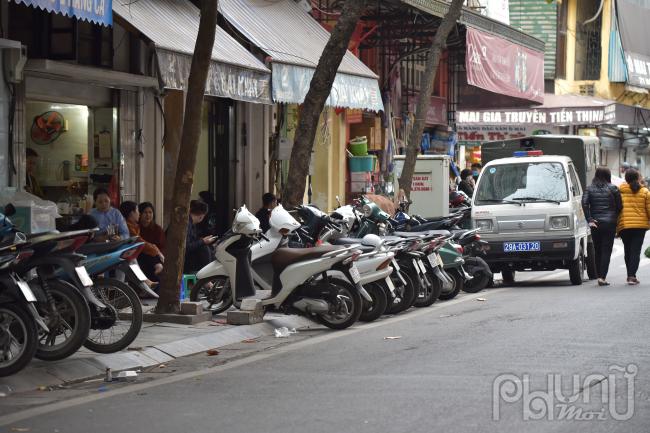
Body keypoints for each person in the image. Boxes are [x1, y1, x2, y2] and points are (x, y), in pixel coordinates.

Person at [582, 167, 623, 286]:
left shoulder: (589, 189)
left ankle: (599, 275)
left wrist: (589, 219)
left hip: (595, 223)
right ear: (608, 175)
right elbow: (620, 206)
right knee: (606, 250)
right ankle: (602, 277)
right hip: (609, 223)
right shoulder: (613, 188)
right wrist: (613, 216)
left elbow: (584, 204)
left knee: (598, 249)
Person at [617, 168, 650, 285]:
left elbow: (617, 209)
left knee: (628, 250)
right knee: (635, 251)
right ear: (638, 178)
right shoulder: (645, 192)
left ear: (626, 179)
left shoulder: (620, 192)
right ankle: (631, 276)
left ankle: (630, 275)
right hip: (640, 226)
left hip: (624, 225)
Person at [119, 201, 165, 282]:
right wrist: (156, 250)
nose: (147, 215)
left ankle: (147, 282)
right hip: (135, 255)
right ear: (131, 213)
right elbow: (140, 242)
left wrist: (157, 252)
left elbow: (160, 246)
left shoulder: (156, 228)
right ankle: (146, 283)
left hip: (150, 256)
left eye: (150, 212)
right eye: (140, 212)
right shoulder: (129, 226)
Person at [185, 200, 217, 274]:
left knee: (210, 248)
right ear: (201, 216)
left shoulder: (190, 223)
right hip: (185, 258)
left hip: (187, 256)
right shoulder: (187, 224)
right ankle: (207, 276)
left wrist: (203, 241)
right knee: (204, 248)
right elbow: (187, 246)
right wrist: (203, 241)